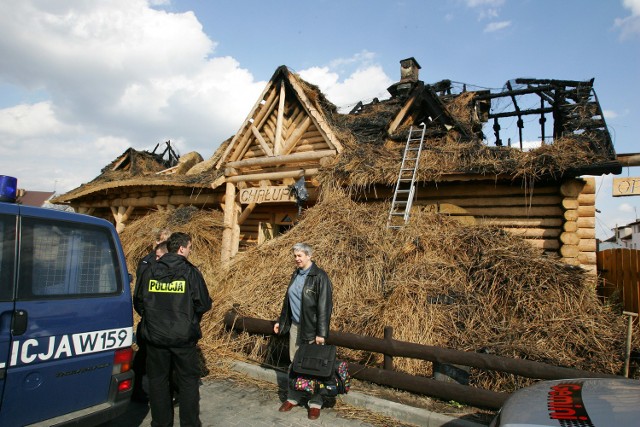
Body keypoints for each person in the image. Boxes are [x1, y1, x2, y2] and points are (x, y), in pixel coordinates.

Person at [134, 232, 212, 427]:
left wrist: (154, 319)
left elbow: (139, 303)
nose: (190, 251)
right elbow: (203, 303)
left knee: (158, 382)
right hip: (182, 338)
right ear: (181, 248)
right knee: (187, 383)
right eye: (190, 247)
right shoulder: (191, 272)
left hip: (155, 338)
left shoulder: (149, 271)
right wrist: (189, 319)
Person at [273, 242, 333, 421]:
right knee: (294, 363)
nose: (297, 259)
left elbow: (325, 306)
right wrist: (281, 322)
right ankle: (293, 397)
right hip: (295, 326)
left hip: (312, 329)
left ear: (309, 256)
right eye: (295, 256)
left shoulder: (320, 276)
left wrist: (321, 333)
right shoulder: (296, 275)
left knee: (313, 366)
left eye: (300, 255)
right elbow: (288, 301)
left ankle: (315, 403)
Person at [132, 229, 171, 403]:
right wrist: (148, 314)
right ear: (157, 242)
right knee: (144, 355)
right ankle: (136, 388)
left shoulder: (169, 262)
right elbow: (140, 294)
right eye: (163, 240)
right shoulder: (147, 262)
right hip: (150, 319)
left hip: (163, 320)